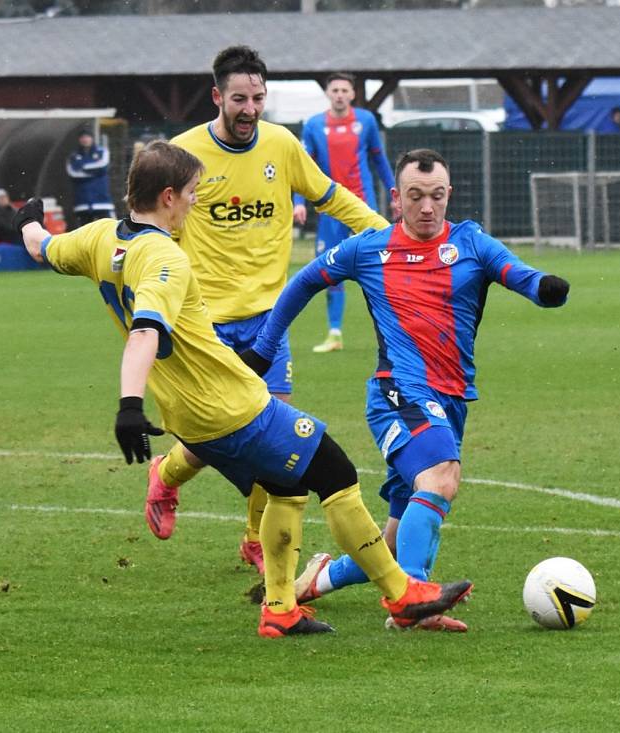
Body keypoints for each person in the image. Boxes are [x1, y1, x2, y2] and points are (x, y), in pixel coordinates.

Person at [12, 140, 473, 638]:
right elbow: (146, 331)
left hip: (187, 416)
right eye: (191, 193)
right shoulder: (166, 258)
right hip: (231, 405)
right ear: (168, 196)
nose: (195, 202)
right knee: (334, 471)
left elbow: (44, 247)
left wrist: (28, 220)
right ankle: (403, 595)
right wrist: (127, 405)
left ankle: (280, 609)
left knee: (287, 484)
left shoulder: (100, 238)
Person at [246, 148, 571, 632]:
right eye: (415, 197)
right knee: (442, 476)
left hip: (451, 400)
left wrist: (546, 287)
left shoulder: (471, 243)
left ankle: (315, 582)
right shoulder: (368, 248)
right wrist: (264, 348)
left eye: (436, 196)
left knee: (395, 538)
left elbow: (519, 275)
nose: (426, 207)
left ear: (448, 195)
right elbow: (304, 282)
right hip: (396, 392)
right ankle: (415, 602)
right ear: (396, 198)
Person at [161, 46, 389, 573]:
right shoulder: (184, 153)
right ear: (217, 97)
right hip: (206, 321)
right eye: (239, 98)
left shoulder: (281, 145)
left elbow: (331, 195)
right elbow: (153, 222)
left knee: (271, 436)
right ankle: (168, 476)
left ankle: (253, 539)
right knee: (221, 436)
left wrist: (387, 235)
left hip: (270, 318)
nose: (249, 108)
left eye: (258, 98)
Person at [292, 72, 395, 354]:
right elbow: (303, 167)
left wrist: (394, 193)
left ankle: (391, 331)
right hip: (330, 209)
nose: (339, 94)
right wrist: (298, 201)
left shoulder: (366, 121)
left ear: (352, 94)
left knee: (377, 267)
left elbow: (379, 160)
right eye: (335, 90)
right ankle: (334, 333)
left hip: (363, 209)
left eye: (344, 90)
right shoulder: (314, 125)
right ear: (328, 94)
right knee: (331, 268)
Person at [66, 128, 115, 227]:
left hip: (102, 201)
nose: (85, 139)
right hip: (82, 204)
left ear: (92, 138)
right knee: (84, 235)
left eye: (87, 136)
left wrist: (82, 166)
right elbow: (73, 173)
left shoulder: (102, 152)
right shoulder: (73, 156)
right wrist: (94, 173)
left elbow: (102, 166)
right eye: (83, 137)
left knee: (109, 230)